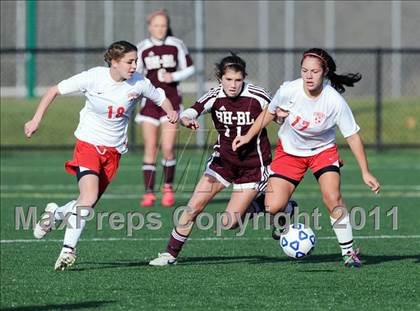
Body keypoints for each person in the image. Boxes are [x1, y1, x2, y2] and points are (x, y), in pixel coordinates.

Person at [24, 41, 178, 271]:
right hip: (88, 145)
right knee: (88, 196)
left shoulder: (140, 83)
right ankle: (68, 250)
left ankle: (54, 214)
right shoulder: (93, 77)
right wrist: (36, 119)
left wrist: (172, 112)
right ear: (114, 62)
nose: (135, 65)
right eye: (130, 61)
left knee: (86, 203)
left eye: (136, 61)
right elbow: (54, 90)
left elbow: (161, 98)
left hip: (113, 153)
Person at [232, 48, 381, 268]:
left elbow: (353, 137)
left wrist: (365, 171)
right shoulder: (289, 90)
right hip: (290, 152)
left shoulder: (334, 100)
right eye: (304, 71)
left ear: (325, 72)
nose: (309, 76)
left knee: (333, 198)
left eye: (314, 71)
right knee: (273, 207)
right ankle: (286, 208)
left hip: (323, 152)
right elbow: (269, 113)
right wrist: (246, 136)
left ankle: (349, 253)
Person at [149, 53, 295, 266]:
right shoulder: (215, 95)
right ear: (220, 79)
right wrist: (187, 119)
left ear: (244, 78)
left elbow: (277, 115)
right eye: (228, 80)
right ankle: (170, 254)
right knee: (193, 206)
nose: (233, 85)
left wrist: (282, 115)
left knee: (229, 222)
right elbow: (191, 111)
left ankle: (280, 207)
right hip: (223, 162)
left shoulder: (258, 95)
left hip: (252, 166)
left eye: (237, 80)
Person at [135, 10, 195, 207]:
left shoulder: (176, 44)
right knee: (150, 147)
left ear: (167, 26)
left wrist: (173, 77)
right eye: (156, 25)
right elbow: (135, 75)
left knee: (168, 148)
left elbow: (190, 67)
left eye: (163, 25)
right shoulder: (142, 48)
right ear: (149, 26)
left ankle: (167, 187)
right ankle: (148, 192)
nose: (160, 29)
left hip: (172, 101)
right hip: (150, 104)